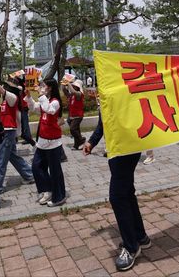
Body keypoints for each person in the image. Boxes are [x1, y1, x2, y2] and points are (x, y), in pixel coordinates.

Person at [84, 112, 150, 272]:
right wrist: (92, 142)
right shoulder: (106, 90)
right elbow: (103, 122)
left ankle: (131, 247)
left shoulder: (120, 87)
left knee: (117, 197)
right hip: (115, 149)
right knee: (126, 192)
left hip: (127, 147)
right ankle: (140, 237)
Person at [0, 69, 34, 193]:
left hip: (8, 132)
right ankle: (30, 174)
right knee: (12, 156)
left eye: (7, 86)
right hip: (7, 132)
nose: (4, 87)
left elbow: (0, 89)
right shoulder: (6, 99)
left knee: (1, 160)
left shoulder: (13, 97)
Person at [27, 78, 67, 207]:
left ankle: (59, 196)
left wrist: (40, 95)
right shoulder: (46, 100)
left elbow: (49, 110)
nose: (41, 87)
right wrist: (29, 97)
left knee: (55, 171)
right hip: (42, 141)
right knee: (36, 167)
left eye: (44, 86)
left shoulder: (55, 102)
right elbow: (34, 108)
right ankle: (47, 190)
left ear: (49, 88)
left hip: (53, 142)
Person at [63, 80, 86, 150]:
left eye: (75, 85)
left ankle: (82, 140)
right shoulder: (71, 95)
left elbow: (73, 91)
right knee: (76, 130)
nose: (73, 86)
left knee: (73, 129)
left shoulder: (79, 94)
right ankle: (77, 145)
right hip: (72, 116)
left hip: (78, 116)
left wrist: (68, 83)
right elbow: (64, 90)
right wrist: (63, 83)